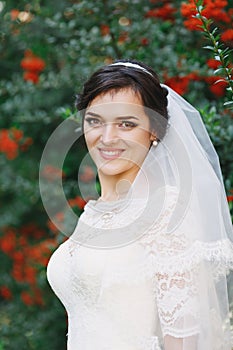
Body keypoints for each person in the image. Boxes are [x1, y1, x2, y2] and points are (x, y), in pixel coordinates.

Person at [46, 60, 233, 350]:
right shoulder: (94, 214)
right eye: (95, 121)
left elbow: (185, 342)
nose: (107, 138)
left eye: (126, 124)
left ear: (154, 130)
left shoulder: (166, 212)